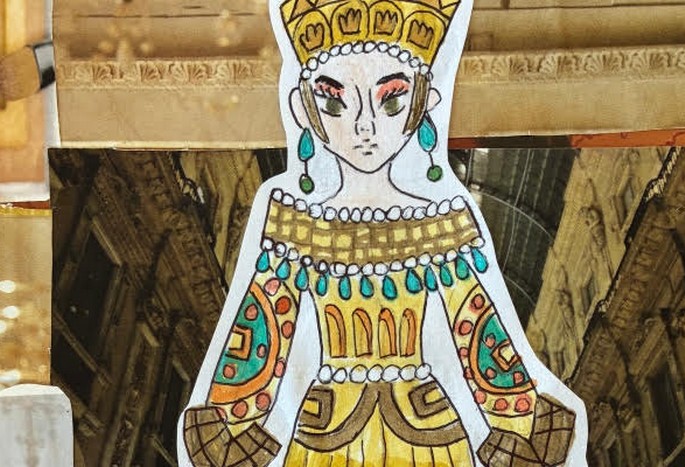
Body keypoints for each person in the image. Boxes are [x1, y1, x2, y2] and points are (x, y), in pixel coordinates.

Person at [178, 0, 587, 465]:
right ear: (303, 108)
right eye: (335, 102)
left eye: (390, 99)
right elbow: (260, 338)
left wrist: (523, 423)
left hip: (427, 440)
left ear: (425, 101)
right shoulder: (293, 225)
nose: (364, 126)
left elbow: (480, 337)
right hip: (328, 439)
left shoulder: (442, 224)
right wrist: (229, 424)